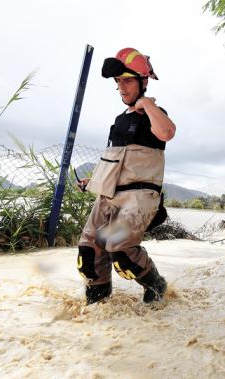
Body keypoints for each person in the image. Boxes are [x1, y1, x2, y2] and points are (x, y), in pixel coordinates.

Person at [75, 47, 176, 305]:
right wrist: (93, 181)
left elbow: (167, 133)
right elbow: (114, 160)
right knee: (88, 251)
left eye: (128, 80)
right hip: (109, 196)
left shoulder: (152, 113)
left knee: (119, 250)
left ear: (143, 82)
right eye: (118, 81)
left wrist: (148, 105)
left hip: (138, 198)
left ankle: (156, 285)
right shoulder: (119, 119)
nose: (122, 87)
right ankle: (99, 305)